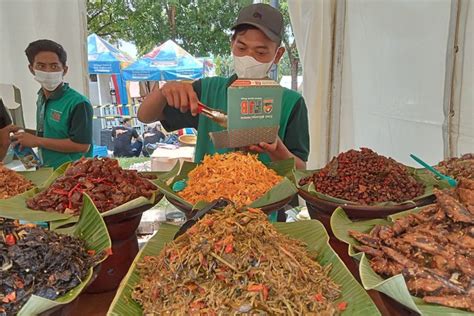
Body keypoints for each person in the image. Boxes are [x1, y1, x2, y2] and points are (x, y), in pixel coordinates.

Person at [137, 3, 309, 169]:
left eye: (261, 52)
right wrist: (163, 92)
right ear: (231, 44)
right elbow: (145, 116)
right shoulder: (206, 91)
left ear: (277, 55)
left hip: (271, 196)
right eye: (241, 48)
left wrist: (278, 151)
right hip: (211, 193)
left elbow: (301, 167)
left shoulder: (291, 103)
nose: (249, 57)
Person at [13, 39, 93, 169]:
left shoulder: (78, 103)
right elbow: (51, 134)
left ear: (64, 70)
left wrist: (37, 141)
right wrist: (23, 133)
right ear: (31, 69)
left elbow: (82, 146)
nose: (48, 71)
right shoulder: (41, 98)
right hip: (48, 171)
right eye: (41, 66)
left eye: (54, 66)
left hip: (73, 175)